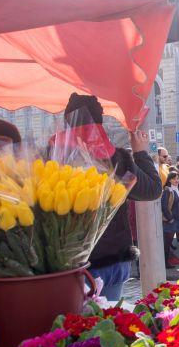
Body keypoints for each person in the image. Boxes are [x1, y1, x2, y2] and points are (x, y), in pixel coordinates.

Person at [61, 94, 162, 302]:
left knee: (77, 326)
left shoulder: (56, 157)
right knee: (109, 323)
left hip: (71, 263)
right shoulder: (114, 158)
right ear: (100, 120)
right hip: (111, 259)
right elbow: (151, 189)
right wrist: (140, 153)